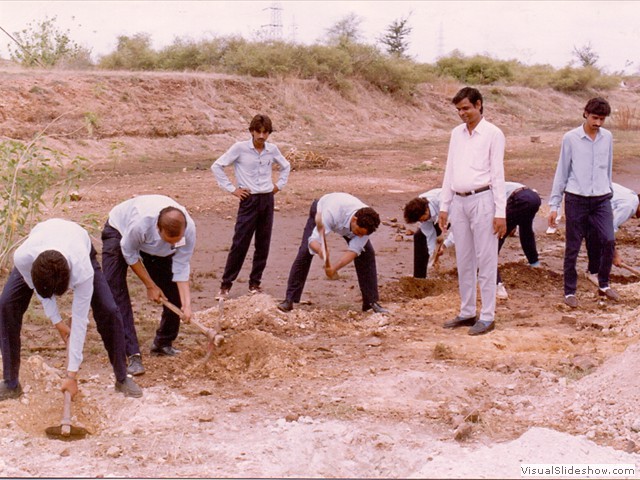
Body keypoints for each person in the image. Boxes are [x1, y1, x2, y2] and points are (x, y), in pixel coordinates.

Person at [0, 219, 142, 401]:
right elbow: (41, 290)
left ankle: (122, 377)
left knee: (109, 310)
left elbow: (80, 321)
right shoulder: (23, 258)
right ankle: (11, 383)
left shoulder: (82, 270)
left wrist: (71, 375)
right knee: (6, 304)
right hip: (41, 244)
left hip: (79, 244)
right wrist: (57, 321)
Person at [437, 87, 507, 336]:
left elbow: (498, 174)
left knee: (486, 259)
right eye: (458, 109)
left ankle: (488, 315)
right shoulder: (456, 134)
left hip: (483, 200)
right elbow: (450, 169)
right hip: (459, 201)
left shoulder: (493, 134)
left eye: (466, 108)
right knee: (464, 259)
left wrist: (501, 212)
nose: (462, 113)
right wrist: (444, 205)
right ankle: (467, 311)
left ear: (479, 105)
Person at [101, 195, 196, 376]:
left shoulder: (188, 229)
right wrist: (150, 285)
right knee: (116, 294)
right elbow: (129, 253)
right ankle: (132, 354)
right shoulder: (141, 225)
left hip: (152, 246)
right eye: (170, 239)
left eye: (178, 239)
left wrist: (187, 304)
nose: (175, 243)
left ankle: (163, 343)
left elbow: (182, 265)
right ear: (158, 229)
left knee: (172, 292)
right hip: (119, 230)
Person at [211, 114, 291, 299]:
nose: (261, 136)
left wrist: (278, 185)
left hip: (267, 199)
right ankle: (225, 285)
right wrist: (232, 189)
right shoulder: (240, 148)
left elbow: (286, 166)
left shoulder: (272, 149)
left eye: (265, 132)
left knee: (263, 243)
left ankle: (255, 283)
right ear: (252, 131)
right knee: (240, 243)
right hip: (249, 199)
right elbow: (217, 166)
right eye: (258, 131)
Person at [548, 97, 618, 308]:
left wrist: (609, 192)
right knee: (573, 247)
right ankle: (570, 291)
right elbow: (562, 171)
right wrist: (554, 205)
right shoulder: (570, 138)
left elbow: (608, 167)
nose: (598, 123)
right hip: (576, 199)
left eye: (602, 119)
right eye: (595, 118)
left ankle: (603, 283)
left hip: (601, 199)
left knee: (608, 240)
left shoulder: (607, 137)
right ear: (586, 114)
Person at [277, 192, 388, 314]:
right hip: (322, 209)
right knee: (304, 253)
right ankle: (289, 300)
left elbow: (354, 251)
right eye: (359, 232)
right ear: (354, 220)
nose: (360, 236)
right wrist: (321, 250)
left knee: (367, 254)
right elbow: (313, 241)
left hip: (346, 220)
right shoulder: (330, 213)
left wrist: (334, 268)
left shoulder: (367, 224)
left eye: (363, 234)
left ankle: (371, 303)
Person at [430, 182, 541, 300]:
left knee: (495, 237)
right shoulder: (487, 189)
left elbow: (464, 226)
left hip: (519, 199)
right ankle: (535, 263)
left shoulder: (477, 196)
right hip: (533, 198)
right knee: (526, 231)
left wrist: (445, 245)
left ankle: (495, 284)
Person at [584, 182, 640, 285]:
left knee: (598, 232)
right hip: (589, 200)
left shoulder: (632, 196)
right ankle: (593, 272)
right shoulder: (630, 206)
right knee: (597, 235)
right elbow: (609, 229)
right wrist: (615, 255)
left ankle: (593, 271)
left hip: (590, 193)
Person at [402, 188, 453, 279]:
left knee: (464, 239)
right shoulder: (419, 209)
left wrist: (445, 245)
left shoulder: (443, 201)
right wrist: (433, 253)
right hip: (436, 218)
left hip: (458, 213)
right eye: (419, 220)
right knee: (419, 236)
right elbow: (429, 235)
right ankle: (419, 277)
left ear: (426, 210)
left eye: (422, 219)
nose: (421, 221)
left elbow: (457, 230)